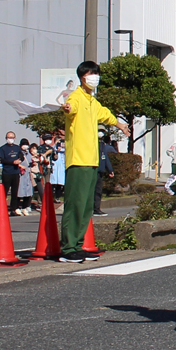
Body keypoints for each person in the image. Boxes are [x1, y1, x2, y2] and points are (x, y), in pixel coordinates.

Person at [61, 61, 130, 262]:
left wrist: (120, 124)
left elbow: (105, 114)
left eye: (96, 74)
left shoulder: (92, 101)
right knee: (75, 204)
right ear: (82, 77)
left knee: (86, 206)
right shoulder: (76, 97)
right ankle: (68, 248)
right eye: (91, 74)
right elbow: (70, 107)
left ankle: (77, 245)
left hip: (91, 160)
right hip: (78, 160)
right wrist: (67, 108)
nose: (94, 77)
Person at [0, 130, 25, 215]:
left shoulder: (17, 148)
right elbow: (2, 160)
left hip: (15, 172)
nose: (10, 139)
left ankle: (13, 208)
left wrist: (20, 160)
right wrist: (12, 162)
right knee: (4, 191)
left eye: (12, 137)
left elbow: (22, 157)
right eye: (9, 137)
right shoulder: (2, 148)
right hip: (7, 172)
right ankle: (1, 208)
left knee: (14, 192)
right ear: (6, 138)